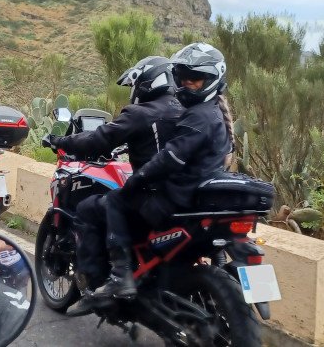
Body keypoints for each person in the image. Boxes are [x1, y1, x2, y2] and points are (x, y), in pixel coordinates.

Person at [92, 42, 235, 300]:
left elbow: (169, 158)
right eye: (183, 76)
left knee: (116, 199)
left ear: (213, 79)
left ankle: (120, 276)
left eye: (196, 78)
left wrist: (138, 180)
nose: (188, 83)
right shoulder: (214, 113)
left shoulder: (199, 116)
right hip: (198, 195)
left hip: (178, 199)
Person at [47, 56, 184, 315]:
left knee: (89, 208)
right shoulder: (187, 110)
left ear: (145, 83)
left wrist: (62, 141)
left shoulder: (140, 113)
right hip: (184, 196)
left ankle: (101, 285)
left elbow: (98, 140)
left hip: (154, 199)